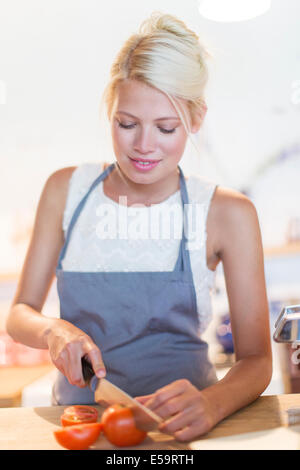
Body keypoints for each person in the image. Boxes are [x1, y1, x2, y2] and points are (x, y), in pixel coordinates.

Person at [6, 12, 272, 442]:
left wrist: (212, 403)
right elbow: (19, 315)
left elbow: (258, 358)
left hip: (185, 430)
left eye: (166, 127)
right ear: (110, 111)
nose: (144, 145)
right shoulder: (65, 190)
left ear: (196, 119)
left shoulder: (227, 212)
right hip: (83, 426)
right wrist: (53, 329)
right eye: (126, 124)